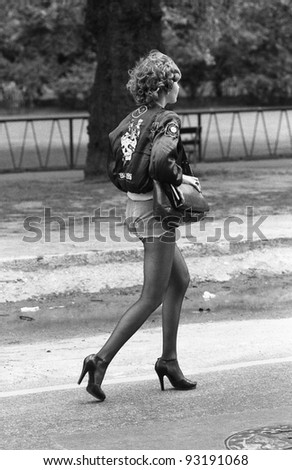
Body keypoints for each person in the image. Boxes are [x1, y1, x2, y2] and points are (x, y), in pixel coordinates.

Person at [78, 50, 201, 401]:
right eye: (176, 80)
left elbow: (116, 167)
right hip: (155, 214)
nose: (179, 86)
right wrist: (185, 180)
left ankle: (169, 362)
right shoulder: (167, 119)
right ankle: (99, 360)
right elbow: (163, 163)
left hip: (135, 207)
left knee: (180, 280)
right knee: (151, 297)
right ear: (165, 86)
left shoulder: (132, 119)